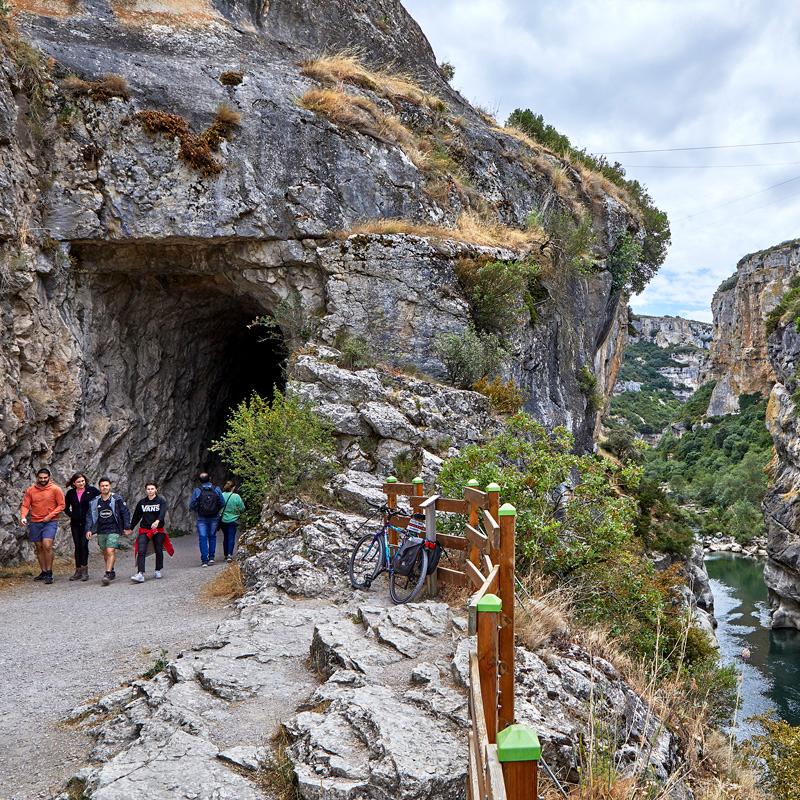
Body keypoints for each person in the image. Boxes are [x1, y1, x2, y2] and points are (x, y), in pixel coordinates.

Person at [19, 467, 65, 585]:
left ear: (49, 477)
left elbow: (61, 505)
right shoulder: (31, 490)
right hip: (35, 521)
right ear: (37, 478)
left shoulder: (55, 489)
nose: (43, 480)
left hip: (50, 521)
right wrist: (23, 517)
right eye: (41, 478)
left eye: (45, 478)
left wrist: (50, 516)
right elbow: (25, 505)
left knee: (47, 545)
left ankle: (49, 572)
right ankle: (43, 571)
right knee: (39, 547)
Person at [85, 477, 132, 586]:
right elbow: (89, 516)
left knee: (110, 550)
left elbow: (125, 512)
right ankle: (111, 570)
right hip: (101, 529)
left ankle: (107, 573)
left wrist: (127, 527)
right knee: (105, 551)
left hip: (114, 529)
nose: (104, 487)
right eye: (102, 486)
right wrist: (88, 529)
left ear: (110, 486)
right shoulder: (95, 501)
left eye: (106, 485)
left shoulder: (117, 499)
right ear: (99, 487)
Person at [129, 481, 171, 583]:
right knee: (141, 550)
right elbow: (136, 516)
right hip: (145, 529)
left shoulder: (161, 501)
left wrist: (157, 521)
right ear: (145, 490)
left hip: (158, 530)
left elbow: (162, 513)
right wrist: (130, 528)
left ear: (156, 489)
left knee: (158, 549)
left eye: (152, 489)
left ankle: (158, 569)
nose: (150, 491)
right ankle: (140, 573)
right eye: (148, 489)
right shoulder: (142, 503)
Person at [64, 473, 100, 582]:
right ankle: (78, 570)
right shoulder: (70, 493)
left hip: (87, 523)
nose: (81, 483)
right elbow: (65, 508)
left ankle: (85, 570)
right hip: (75, 524)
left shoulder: (92, 490)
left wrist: (95, 517)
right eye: (79, 481)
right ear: (74, 483)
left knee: (84, 545)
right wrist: (72, 515)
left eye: (83, 481)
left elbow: (101, 499)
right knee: (77, 546)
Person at [189, 472, 224, 567]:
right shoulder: (216, 489)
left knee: (202, 537)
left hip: (202, 517)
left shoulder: (197, 490)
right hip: (214, 517)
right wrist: (216, 510)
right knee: (212, 536)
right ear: (210, 479)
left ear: (199, 481)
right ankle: (211, 558)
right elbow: (222, 502)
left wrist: (198, 510)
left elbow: (192, 505)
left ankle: (204, 560)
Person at [219, 480, 246, 563]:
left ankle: (226, 554)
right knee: (231, 537)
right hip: (233, 520)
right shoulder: (236, 496)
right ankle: (230, 555)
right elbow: (242, 508)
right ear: (233, 487)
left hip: (222, 519)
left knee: (226, 536)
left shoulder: (221, 495)